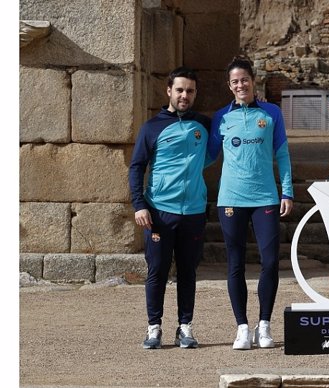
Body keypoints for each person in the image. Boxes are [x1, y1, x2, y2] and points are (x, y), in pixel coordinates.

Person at [208, 56, 294, 350]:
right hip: (231, 198)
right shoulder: (221, 117)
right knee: (235, 264)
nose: (240, 85)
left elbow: (281, 153)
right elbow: (205, 156)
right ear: (229, 86)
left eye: (244, 79)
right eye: (235, 81)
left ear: (252, 80)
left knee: (269, 261)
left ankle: (265, 324)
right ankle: (242, 326)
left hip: (265, 197)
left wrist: (288, 191)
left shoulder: (271, 113)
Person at [129, 67, 212, 349]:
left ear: (195, 93)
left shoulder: (204, 123)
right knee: (158, 271)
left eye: (190, 90)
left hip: (194, 211)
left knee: (188, 272)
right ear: (169, 91)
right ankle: (154, 327)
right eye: (179, 90)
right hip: (159, 212)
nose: (184, 95)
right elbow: (136, 166)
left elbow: (220, 145)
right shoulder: (152, 127)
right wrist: (139, 205)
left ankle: (185, 326)